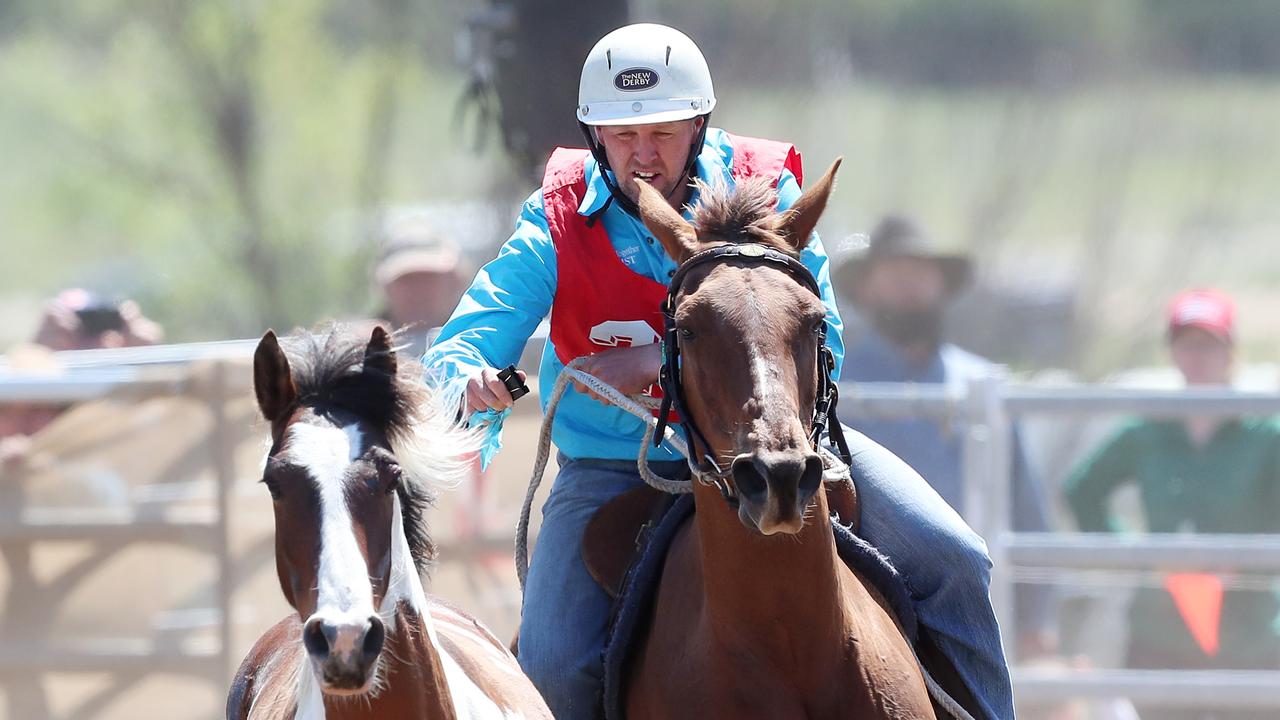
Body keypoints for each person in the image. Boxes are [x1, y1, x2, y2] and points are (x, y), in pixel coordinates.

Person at [423, 24, 1014, 719]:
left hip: (782, 444)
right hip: (615, 462)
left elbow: (825, 336)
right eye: (622, 136)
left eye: (663, 134)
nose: (643, 154)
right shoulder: (556, 217)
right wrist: (468, 378)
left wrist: (656, 359)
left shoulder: (766, 190)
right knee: (553, 662)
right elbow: (465, 339)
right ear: (594, 136)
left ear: (700, 123)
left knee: (957, 561)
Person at [834, 214, 1056, 657]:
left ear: (940, 285)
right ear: (866, 289)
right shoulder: (838, 382)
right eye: (895, 274)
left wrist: (1038, 617)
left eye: (920, 274)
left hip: (969, 595)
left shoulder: (982, 384)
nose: (910, 286)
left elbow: (1026, 506)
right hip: (866, 588)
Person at [1064, 288, 1280, 720]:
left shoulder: (1265, 433)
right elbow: (1082, 488)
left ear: (1231, 351)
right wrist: (1135, 555)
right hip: (1161, 627)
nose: (1197, 356)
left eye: (1209, 344)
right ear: (1173, 353)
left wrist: (1249, 560)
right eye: (1186, 344)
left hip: (1248, 630)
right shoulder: (1149, 429)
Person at [1, 289, 163, 463]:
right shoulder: (19, 392)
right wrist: (36, 356)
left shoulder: (132, 395)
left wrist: (146, 364)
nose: (88, 337)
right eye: (79, 323)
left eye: (100, 325)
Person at [372, 216, 469, 359]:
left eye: (429, 277)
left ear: (455, 281)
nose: (418, 290)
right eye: (407, 279)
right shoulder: (362, 353)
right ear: (385, 288)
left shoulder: (487, 344)